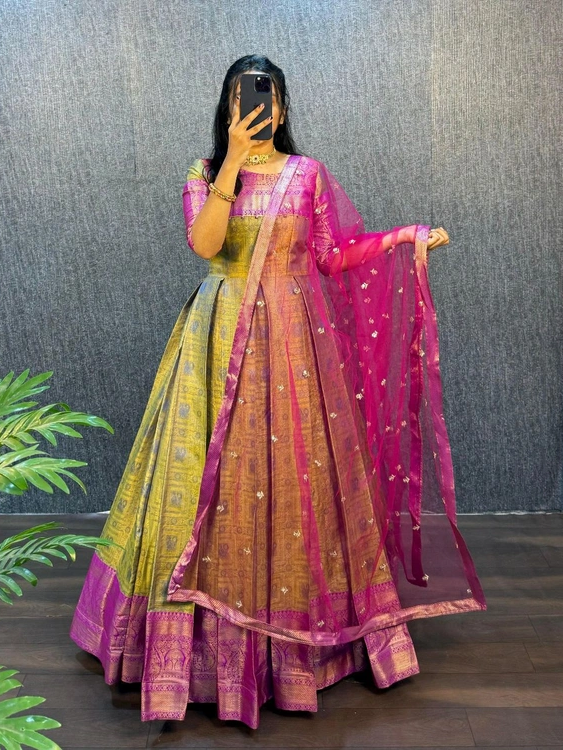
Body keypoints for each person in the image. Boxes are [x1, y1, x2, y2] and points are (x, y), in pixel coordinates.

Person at [70, 55, 485, 729]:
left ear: (283, 109)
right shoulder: (204, 174)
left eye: (267, 100)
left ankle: (299, 652)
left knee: (296, 485)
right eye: (243, 100)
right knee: (196, 487)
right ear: (228, 108)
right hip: (215, 343)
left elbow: (331, 255)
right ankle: (188, 654)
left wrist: (403, 242)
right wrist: (232, 161)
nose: (258, 110)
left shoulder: (306, 174)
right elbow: (204, 244)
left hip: (294, 349)